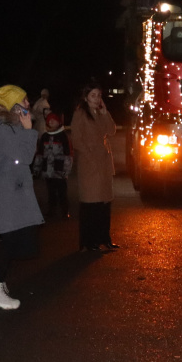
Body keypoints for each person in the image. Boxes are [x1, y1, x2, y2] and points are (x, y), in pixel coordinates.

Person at [0, 85, 44, 310]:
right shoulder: (4, 130)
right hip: (9, 194)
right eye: (24, 102)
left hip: (14, 192)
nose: (28, 105)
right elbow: (24, 157)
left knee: (12, 241)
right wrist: (29, 129)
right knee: (11, 242)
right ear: (14, 107)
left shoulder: (9, 127)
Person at [70, 81, 118, 251]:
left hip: (104, 162)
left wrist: (105, 113)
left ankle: (105, 238)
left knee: (105, 203)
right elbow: (76, 139)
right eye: (93, 95)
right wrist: (89, 156)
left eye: (99, 95)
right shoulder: (80, 113)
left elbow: (112, 131)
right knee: (91, 204)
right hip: (90, 163)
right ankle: (89, 241)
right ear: (85, 97)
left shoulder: (99, 112)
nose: (97, 99)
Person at [33, 112, 73, 219]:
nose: (51, 121)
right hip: (47, 171)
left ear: (58, 122)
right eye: (49, 120)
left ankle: (65, 211)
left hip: (59, 170)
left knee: (62, 193)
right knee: (51, 192)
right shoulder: (45, 137)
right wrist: (36, 168)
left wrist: (66, 170)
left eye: (53, 120)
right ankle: (51, 211)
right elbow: (40, 154)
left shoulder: (63, 136)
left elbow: (68, 154)